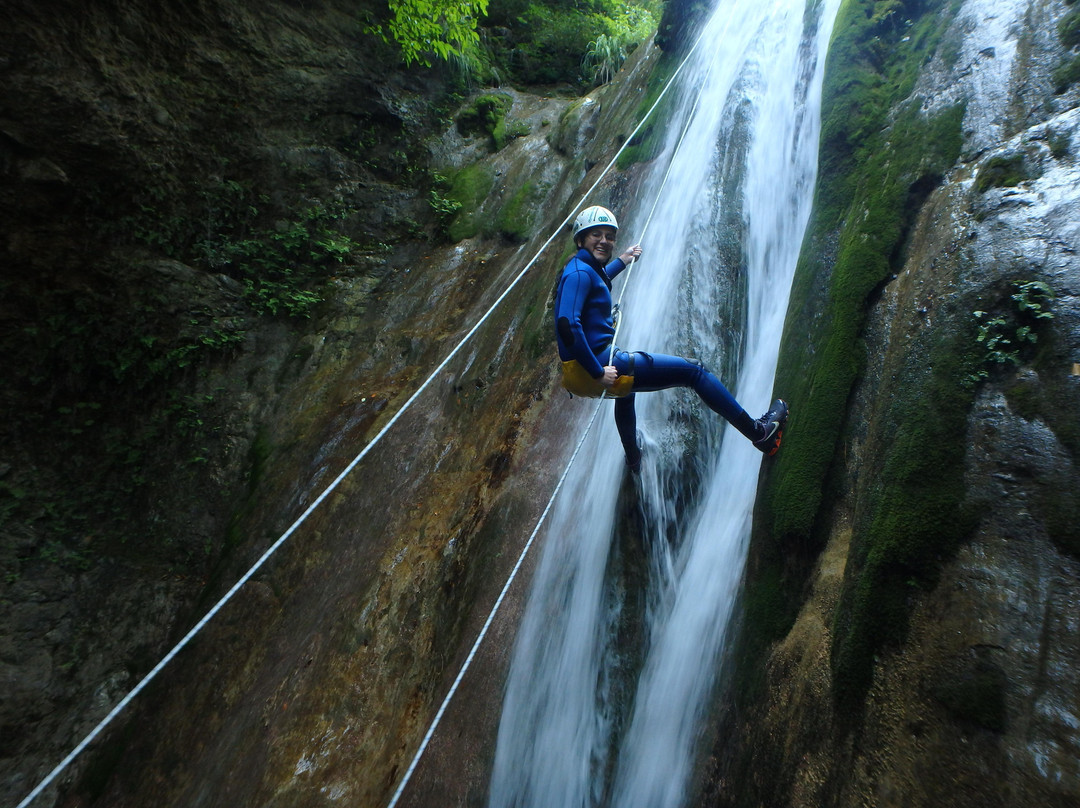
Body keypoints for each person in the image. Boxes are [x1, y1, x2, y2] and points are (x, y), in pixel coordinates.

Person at [553, 205, 788, 472]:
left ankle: (633, 458)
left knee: (627, 393)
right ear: (581, 238)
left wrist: (623, 259)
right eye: (596, 234)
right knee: (694, 371)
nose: (604, 241)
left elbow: (598, 280)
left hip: (578, 374)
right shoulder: (580, 273)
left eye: (609, 235)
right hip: (596, 367)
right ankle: (760, 434)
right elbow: (567, 325)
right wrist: (598, 372)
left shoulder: (582, 269)